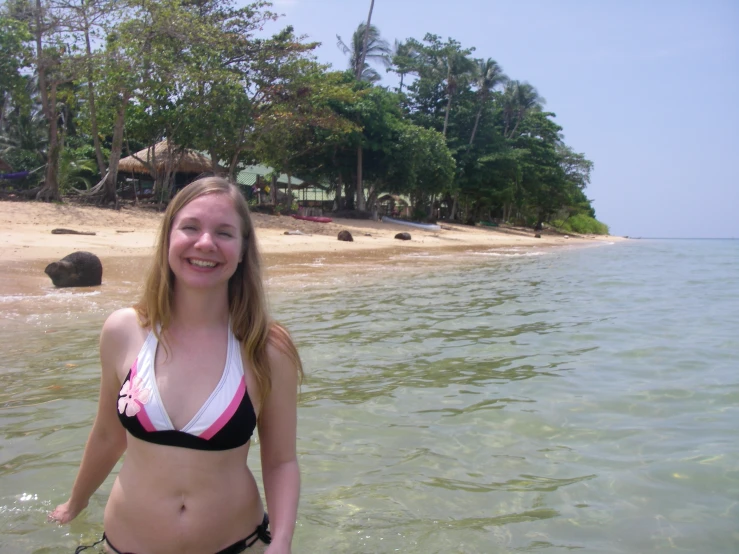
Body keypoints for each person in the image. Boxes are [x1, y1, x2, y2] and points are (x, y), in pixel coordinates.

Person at [49, 177, 302, 554]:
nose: (205, 244)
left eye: (224, 232)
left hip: (237, 545)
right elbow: (107, 434)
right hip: (124, 545)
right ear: (168, 236)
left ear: (243, 247)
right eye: (190, 227)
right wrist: (76, 504)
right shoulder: (123, 330)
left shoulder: (266, 347)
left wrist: (281, 543)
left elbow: (281, 460)